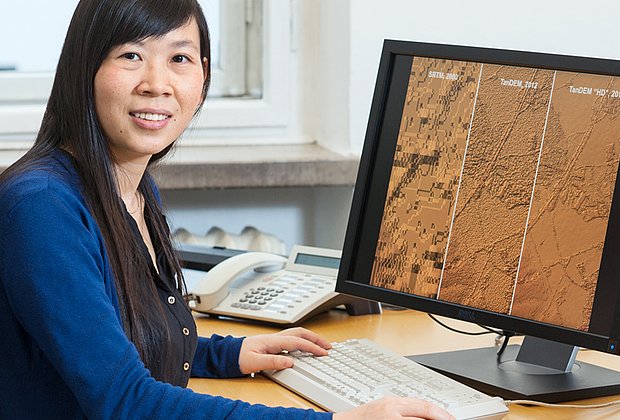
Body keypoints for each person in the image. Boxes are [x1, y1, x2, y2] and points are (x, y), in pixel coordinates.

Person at [0, 1, 455, 419]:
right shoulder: (43, 207)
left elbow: (113, 341)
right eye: (130, 56)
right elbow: (124, 399)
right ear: (86, 69)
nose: (157, 84)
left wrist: (226, 353)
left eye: (179, 59)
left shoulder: (130, 187)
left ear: (202, 78)